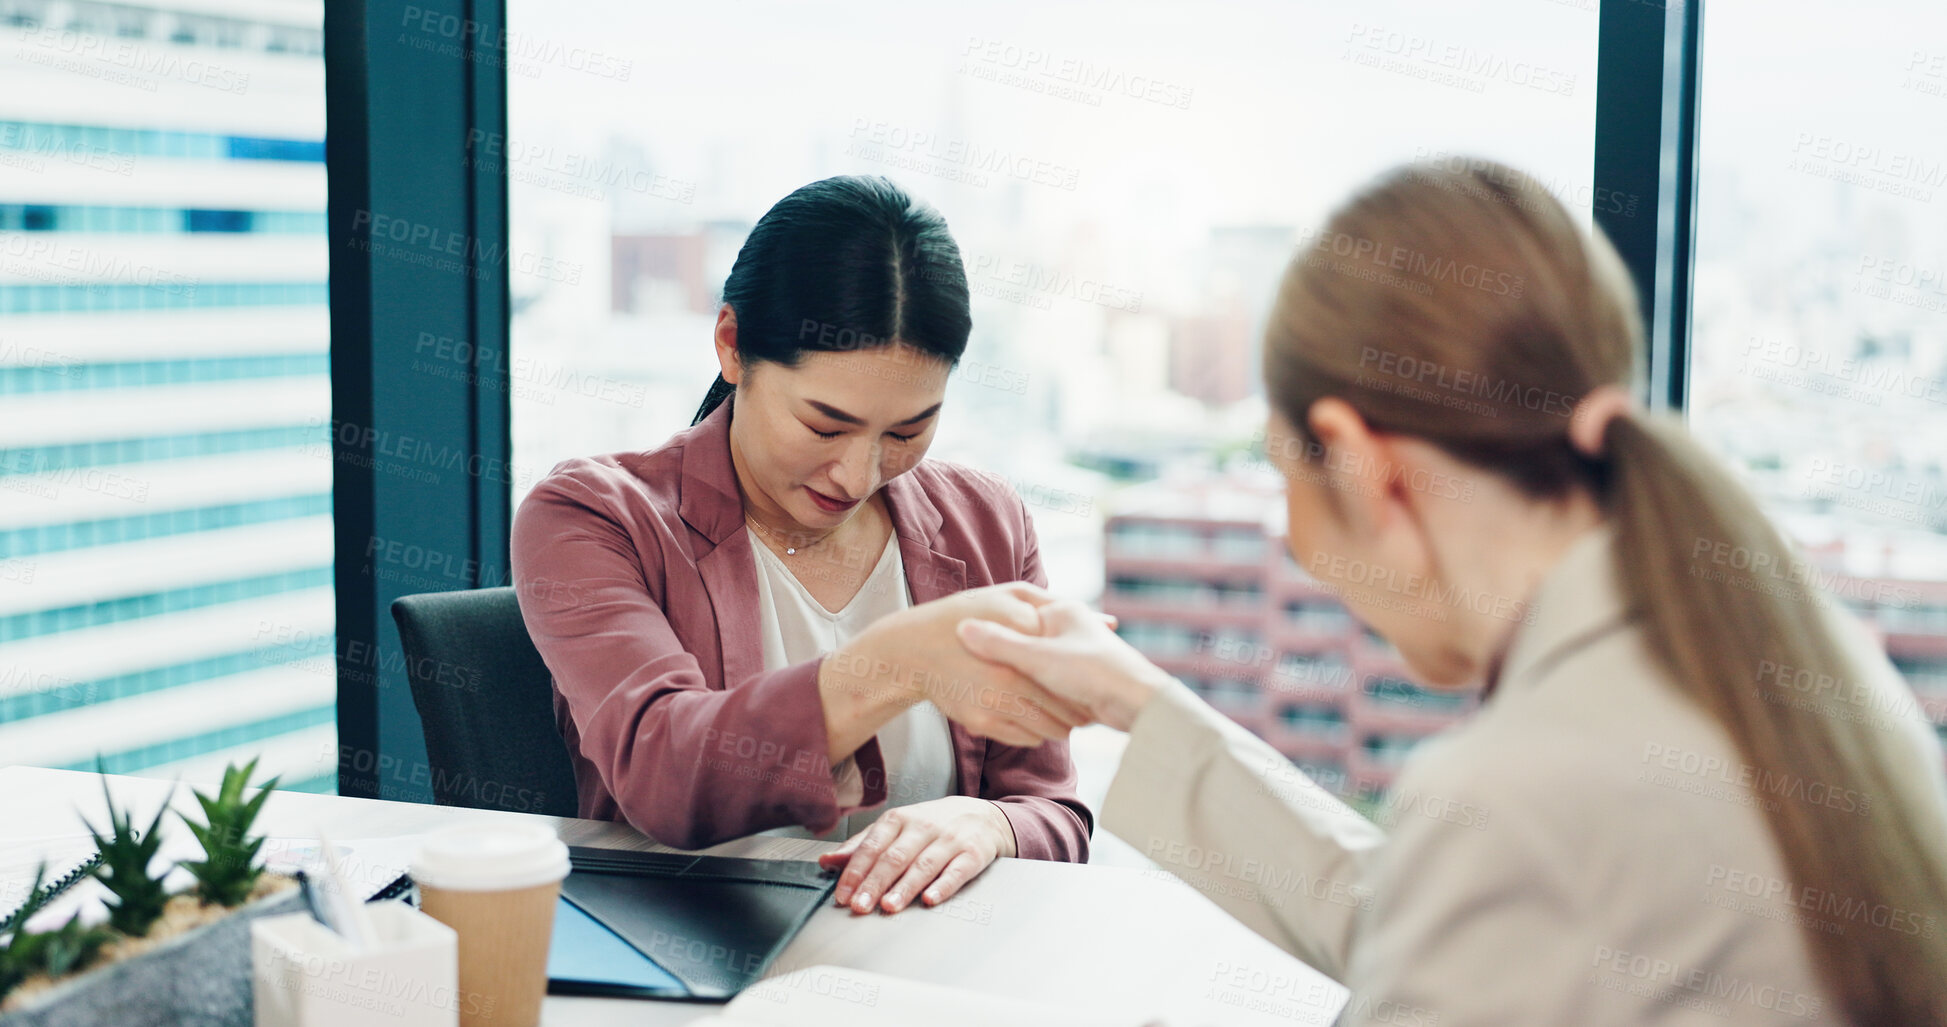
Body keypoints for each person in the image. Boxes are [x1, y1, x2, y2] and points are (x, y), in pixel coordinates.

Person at [955, 160, 1947, 1024]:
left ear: (1355, 459)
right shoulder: (1783, 656)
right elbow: (1423, 915)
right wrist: (1136, 699)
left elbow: (1463, 901)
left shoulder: (1522, 788)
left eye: (1280, 468)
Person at [510, 175, 1093, 917]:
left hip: (927, 970)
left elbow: (1054, 813)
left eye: (907, 432)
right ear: (731, 346)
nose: (858, 474)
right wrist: (901, 664)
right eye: (824, 425)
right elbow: (663, 772)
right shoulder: (593, 517)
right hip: (703, 965)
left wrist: (991, 823)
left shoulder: (986, 520)